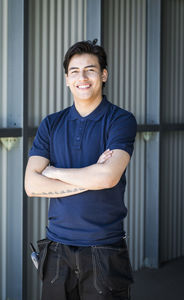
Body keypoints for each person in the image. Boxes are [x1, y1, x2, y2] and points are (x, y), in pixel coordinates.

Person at [25, 39, 137, 300]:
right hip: (56, 251)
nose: (82, 78)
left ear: (103, 74)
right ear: (66, 79)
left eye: (90, 70)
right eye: (74, 71)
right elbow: (31, 185)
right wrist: (92, 174)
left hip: (104, 249)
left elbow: (109, 177)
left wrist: (54, 171)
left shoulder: (121, 120)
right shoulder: (51, 124)